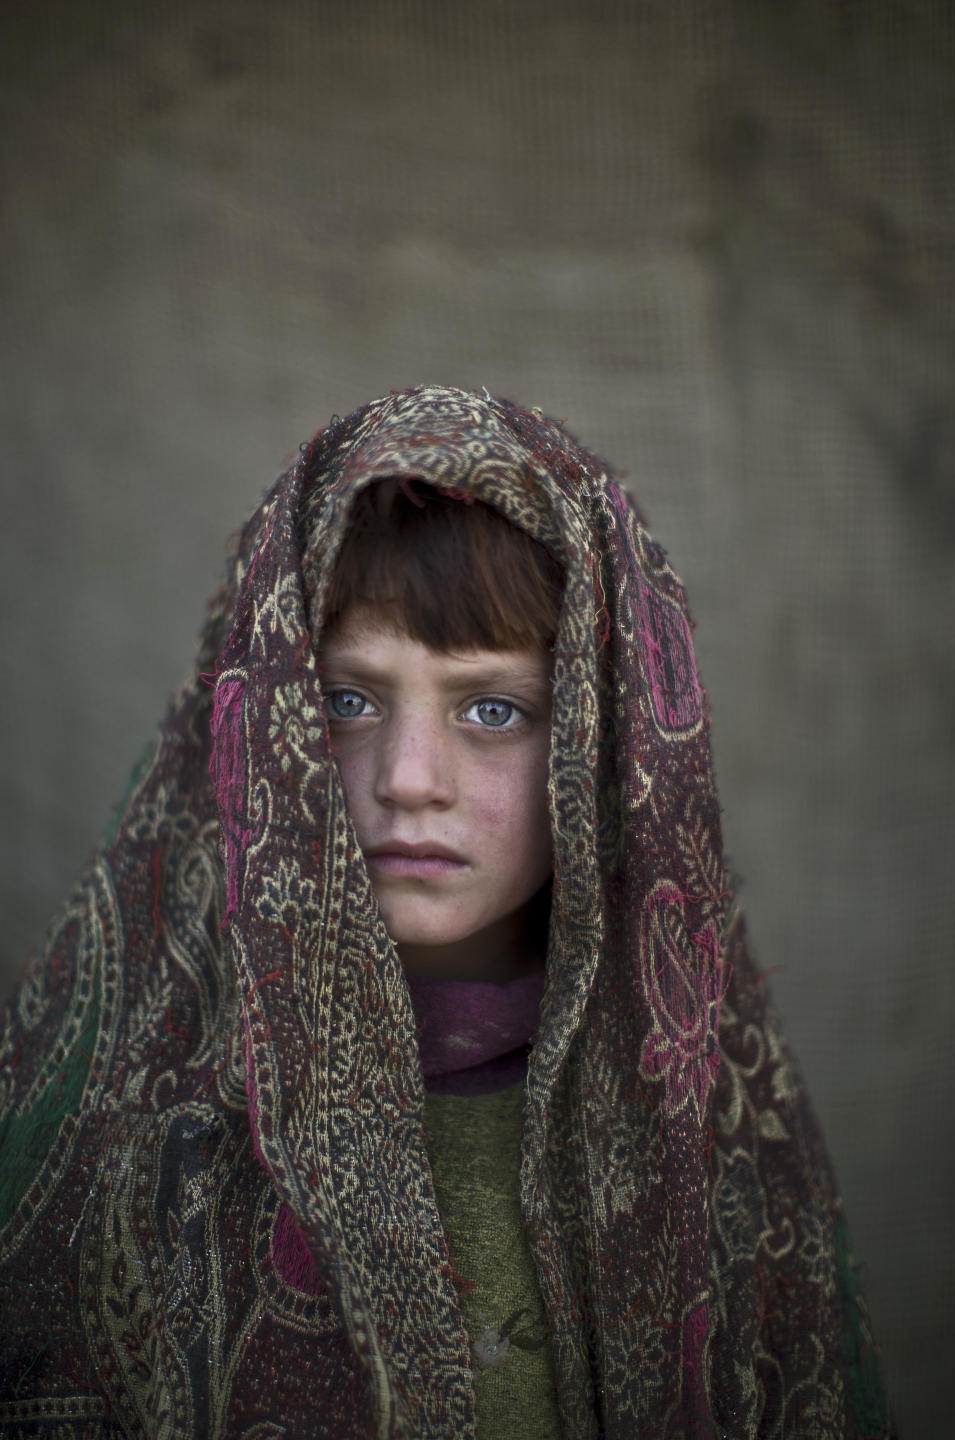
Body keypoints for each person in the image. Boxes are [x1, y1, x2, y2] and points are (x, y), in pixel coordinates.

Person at [0, 385, 894, 1439]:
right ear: (256, 714)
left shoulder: (719, 1142)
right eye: (345, 700)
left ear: (605, 751)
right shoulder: (110, 1122)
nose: (410, 778)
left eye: (493, 709)